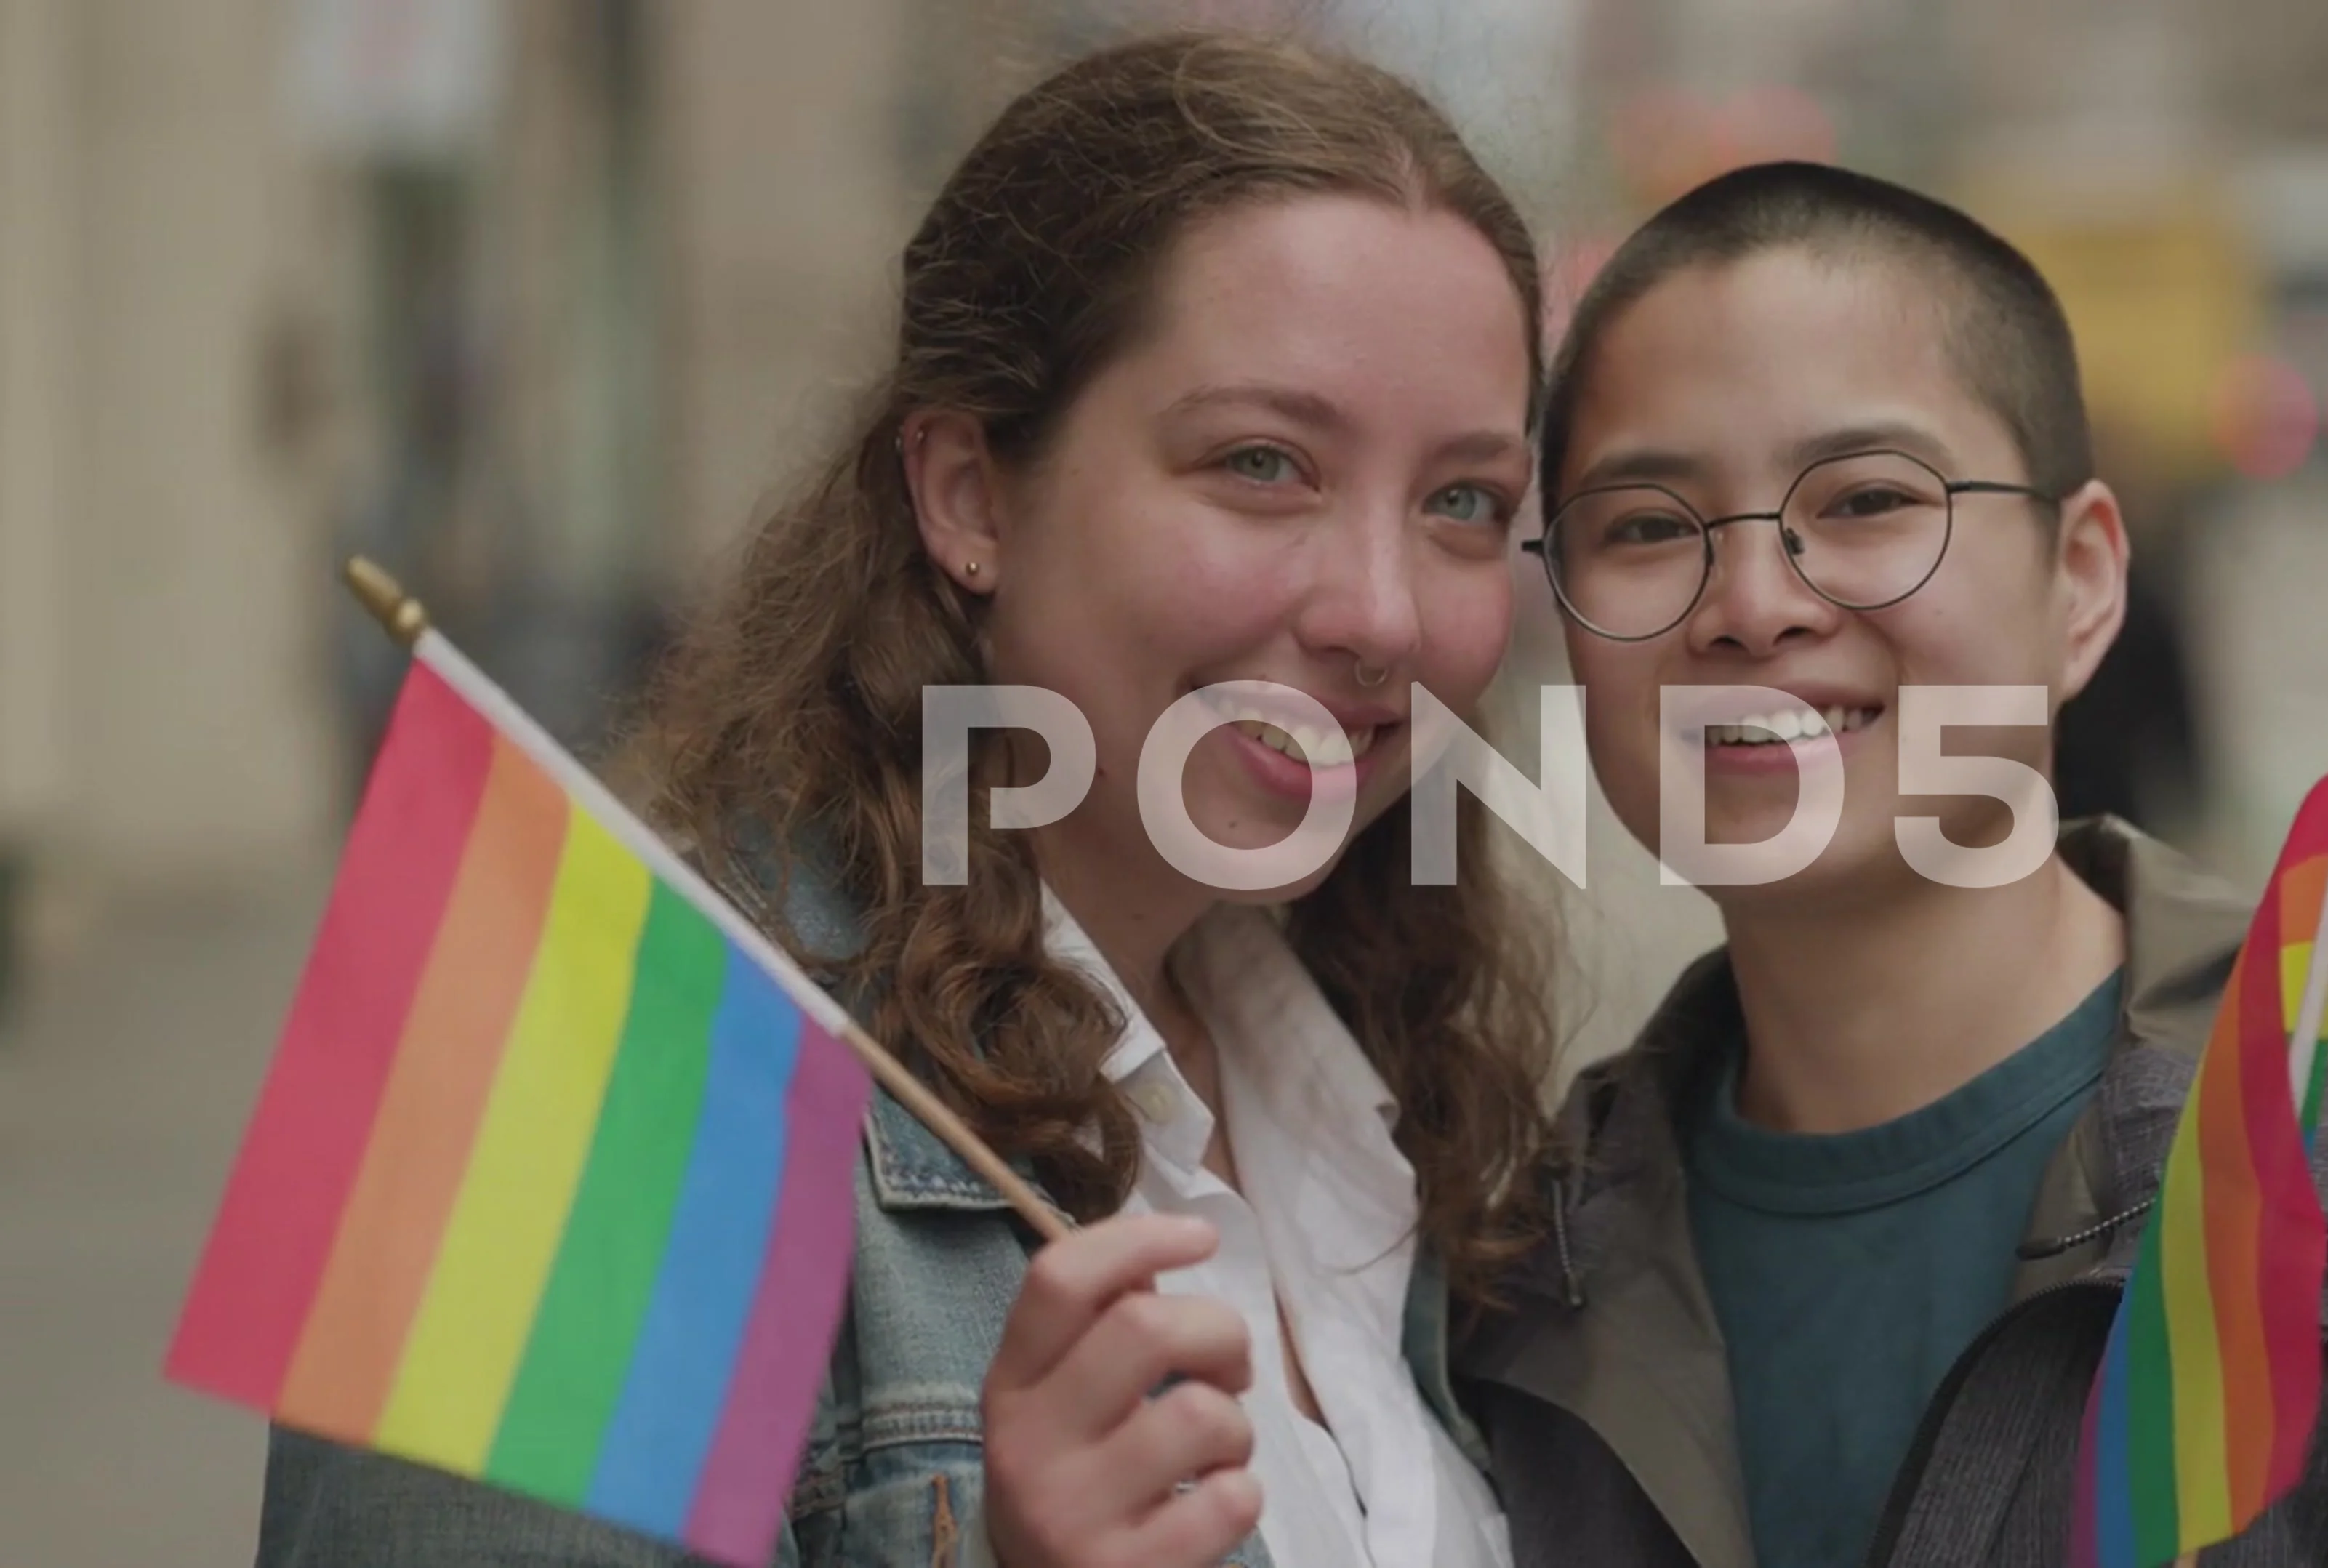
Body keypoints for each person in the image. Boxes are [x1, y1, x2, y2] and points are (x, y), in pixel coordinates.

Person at [253, 33, 1557, 1568]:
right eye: (1262, 462)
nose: (1385, 614)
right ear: (966, 494)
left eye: (1462, 500)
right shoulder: (571, 1075)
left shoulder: (1374, 1084)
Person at [1457, 161, 2328, 1567]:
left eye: (1864, 500)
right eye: (1649, 527)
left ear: (2082, 581)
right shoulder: (1513, 1282)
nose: (1754, 604)